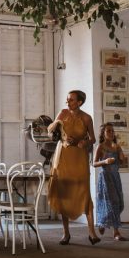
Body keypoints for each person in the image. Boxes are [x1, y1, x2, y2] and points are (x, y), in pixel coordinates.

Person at [47, 89, 99, 245]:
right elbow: (50, 133)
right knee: (64, 193)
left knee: (84, 192)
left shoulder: (87, 118)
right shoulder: (62, 113)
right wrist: (60, 132)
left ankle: (92, 233)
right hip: (63, 155)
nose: (67, 102)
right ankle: (66, 233)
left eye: (71, 100)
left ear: (79, 102)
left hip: (79, 157)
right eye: (67, 99)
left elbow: (93, 139)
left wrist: (85, 142)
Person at [93, 122, 127, 241]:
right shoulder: (100, 147)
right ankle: (116, 232)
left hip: (115, 177)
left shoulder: (117, 147)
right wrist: (105, 161)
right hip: (105, 177)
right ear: (103, 133)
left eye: (112, 131)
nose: (111, 133)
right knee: (112, 203)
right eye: (108, 131)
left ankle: (103, 222)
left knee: (120, 203)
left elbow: (122, 162)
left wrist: (122, 157)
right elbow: (94, 163)